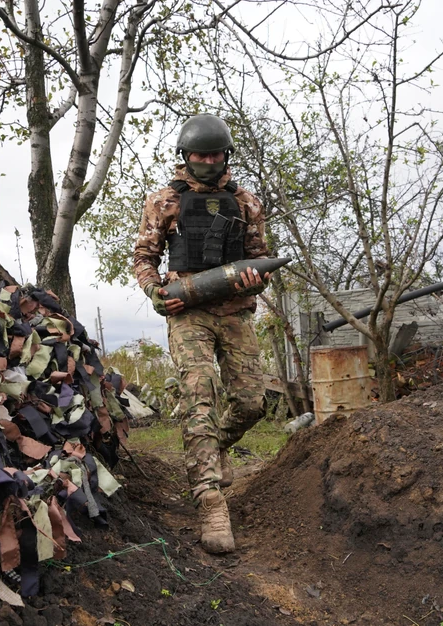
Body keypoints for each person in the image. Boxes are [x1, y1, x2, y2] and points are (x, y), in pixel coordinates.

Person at [133, 114, 270, 554]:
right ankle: (211, 502)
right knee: (199, 393)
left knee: (251, 402)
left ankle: (214, 449)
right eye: (200, 155)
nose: (208, 162)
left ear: (226, 155)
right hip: (187, 313)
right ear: (186, 155)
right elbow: (144, 257)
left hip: (235, 312)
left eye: (215, 155)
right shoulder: (164, 202)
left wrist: (256, 279)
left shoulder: (247, 203)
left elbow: (260, 258)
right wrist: (155, 292)